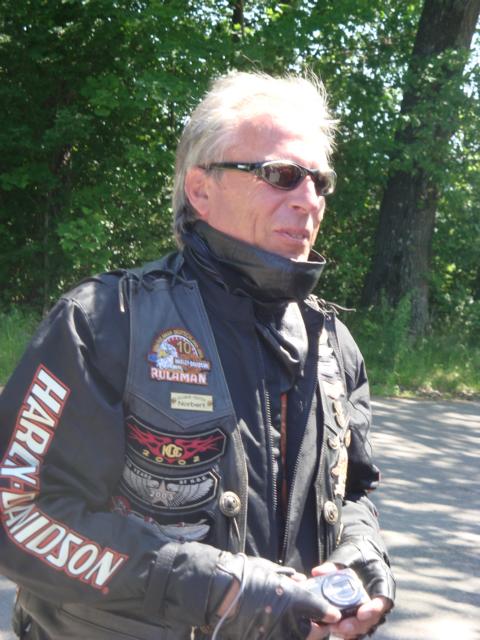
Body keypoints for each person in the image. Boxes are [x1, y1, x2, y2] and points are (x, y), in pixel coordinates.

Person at [0, 71, 395, 640]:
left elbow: (351, 491)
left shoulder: (333, 344)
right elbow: (18, 514)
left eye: (320, 182)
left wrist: (362, 555)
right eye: (281, 175)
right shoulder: (103, 322)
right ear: (201, 190)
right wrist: (218, 589)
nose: (309, 200)